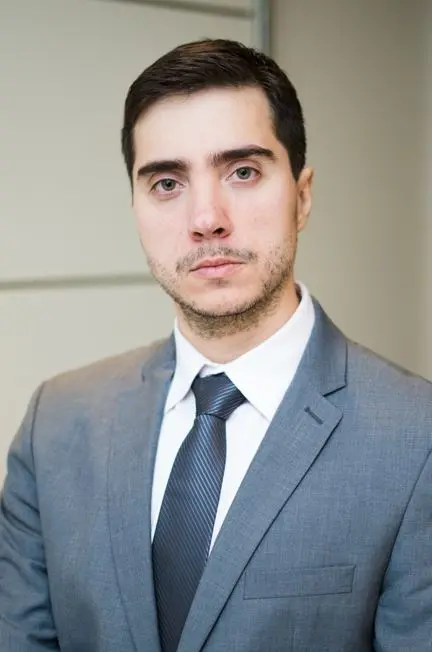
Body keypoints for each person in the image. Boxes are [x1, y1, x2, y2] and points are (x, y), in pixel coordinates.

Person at [0, 38, 431, 652]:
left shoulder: (417, 438)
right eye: (167, 182)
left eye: (243, 172)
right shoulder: (56, 423)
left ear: (302, 195)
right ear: (135, 208)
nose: (206, 218)